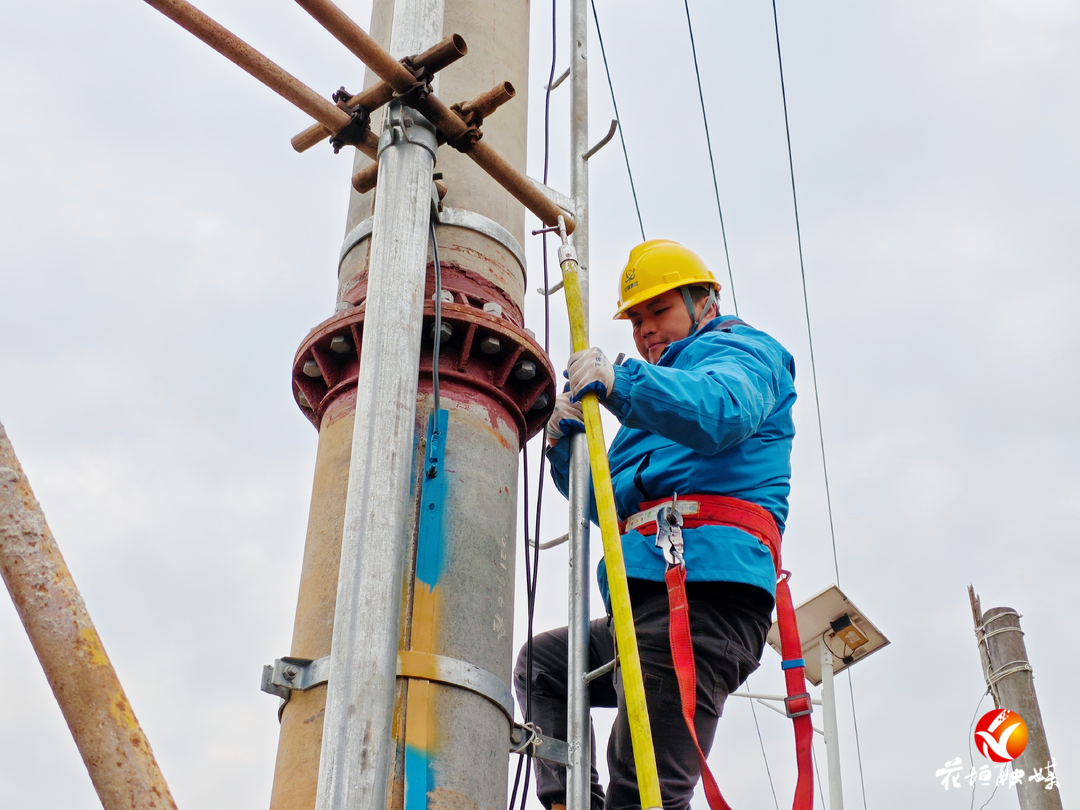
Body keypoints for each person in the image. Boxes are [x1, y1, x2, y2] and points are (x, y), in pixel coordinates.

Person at [514, 239, 797, 810]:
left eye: (658, 311)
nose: (646, 332)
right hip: (645, 598)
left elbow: (723, 411)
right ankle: (571, 801)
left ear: (705, 302)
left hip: (702, 600)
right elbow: (607, 504)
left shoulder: (744, 353)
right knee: (543, 667)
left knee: (645, 792)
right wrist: (565, 446)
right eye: (637, 320)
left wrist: (624, 382)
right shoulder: (645, 409)